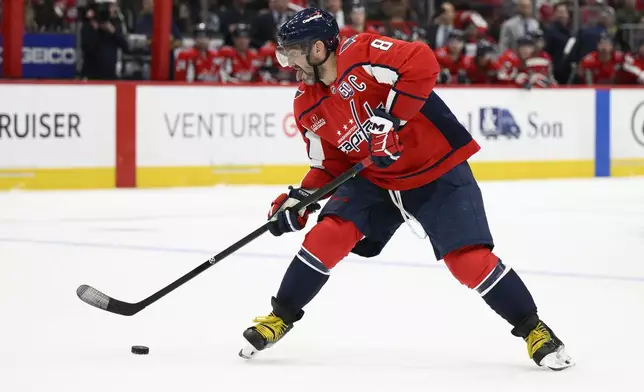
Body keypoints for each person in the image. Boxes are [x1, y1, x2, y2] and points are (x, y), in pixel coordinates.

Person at [238, 8, 574, 371]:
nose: (288, 63)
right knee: (327, 235)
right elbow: (329, 166)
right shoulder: (307, 103)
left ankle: (533, 329)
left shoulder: (363, 54)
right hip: (377, 182)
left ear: (318, 49)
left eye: (293, 52)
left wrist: (388, 119)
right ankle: (280, 317)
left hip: (437, 170)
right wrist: (300, 199)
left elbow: (421, 61)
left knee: (468, 262)